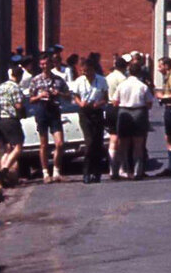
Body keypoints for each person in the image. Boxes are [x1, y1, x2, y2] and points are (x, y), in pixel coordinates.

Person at [27, 55, 68, 183]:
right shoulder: (35, 80)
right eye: (42, 64)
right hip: (42, 110)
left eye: (47, 63)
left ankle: (56, 170)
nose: (45, 66)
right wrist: (40, 96)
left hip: (54, 110)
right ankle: (45, 173)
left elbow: (68, 95)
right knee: (44, 144)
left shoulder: (59, 79)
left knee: (60, 143)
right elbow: (30, 99)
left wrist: (59, 93)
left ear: (52, 64)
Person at [111, 57, 153, 180]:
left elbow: (115, 102)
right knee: (138, 144)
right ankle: (137, 171)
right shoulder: (142, 86)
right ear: (139, 72)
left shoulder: (122, 85)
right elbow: (149, 103)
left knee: (123, 144)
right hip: (139, 112)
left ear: (129, 72)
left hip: (124, 111)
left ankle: (119, 169)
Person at [69, 55, 109, 183]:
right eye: (83, 71)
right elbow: (75, 96)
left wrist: (99, 103)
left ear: (93, 69)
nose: (86, 73)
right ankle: (86, 172)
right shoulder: (79, 81)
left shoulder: (101, 80)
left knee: (98, 143)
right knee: (89, 142)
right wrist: (80, 103)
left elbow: (105, 97)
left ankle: (96, 172)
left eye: (88, 71)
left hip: (96, 111)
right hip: (84, 112)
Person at [0, 64, 24, 187]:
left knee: (7, 148)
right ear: (19, 76)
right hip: (12, 120)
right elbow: (18, 105)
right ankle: (5, 169)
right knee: (18, 146)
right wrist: (22, 112)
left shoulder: (1, 87)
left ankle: (2, 173)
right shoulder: (16, 88)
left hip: (1, 120)